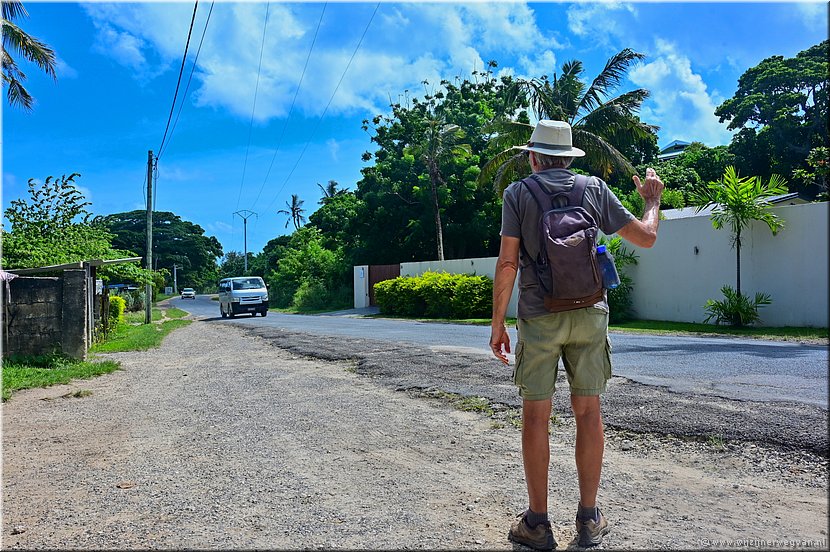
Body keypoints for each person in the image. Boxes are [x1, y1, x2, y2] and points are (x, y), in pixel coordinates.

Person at [489, 120, 664, 550]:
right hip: (590, 312)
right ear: (569, 157)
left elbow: (508, 263)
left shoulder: (519, 194)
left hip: (539, 315)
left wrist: (497, 324)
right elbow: (646, 238)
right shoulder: (594, 188)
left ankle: (537, 523)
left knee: (536, 416)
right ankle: (588, 519)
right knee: (588, 413)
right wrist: (652, 202)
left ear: (532, 157)